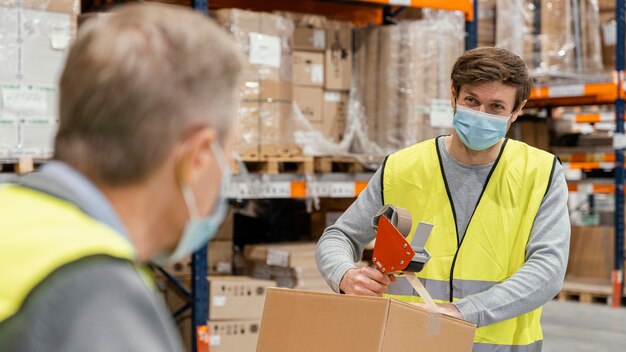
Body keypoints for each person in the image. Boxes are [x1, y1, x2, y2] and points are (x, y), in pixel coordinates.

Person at [0, 4, 242, 351]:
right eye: (228, 156)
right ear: (198, 158)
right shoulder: (97, 298)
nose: (228, 173)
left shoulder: (11, 211)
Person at [316, 47, 570, 351]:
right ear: (454, 95)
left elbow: (548, 270)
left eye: (496, 107)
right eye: (472, 101)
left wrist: (462, 312)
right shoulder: (402, 167)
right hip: (408, 342)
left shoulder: (540, 173)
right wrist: (345, 274)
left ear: (517, 110)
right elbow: (339, 236)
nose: (480, 114)